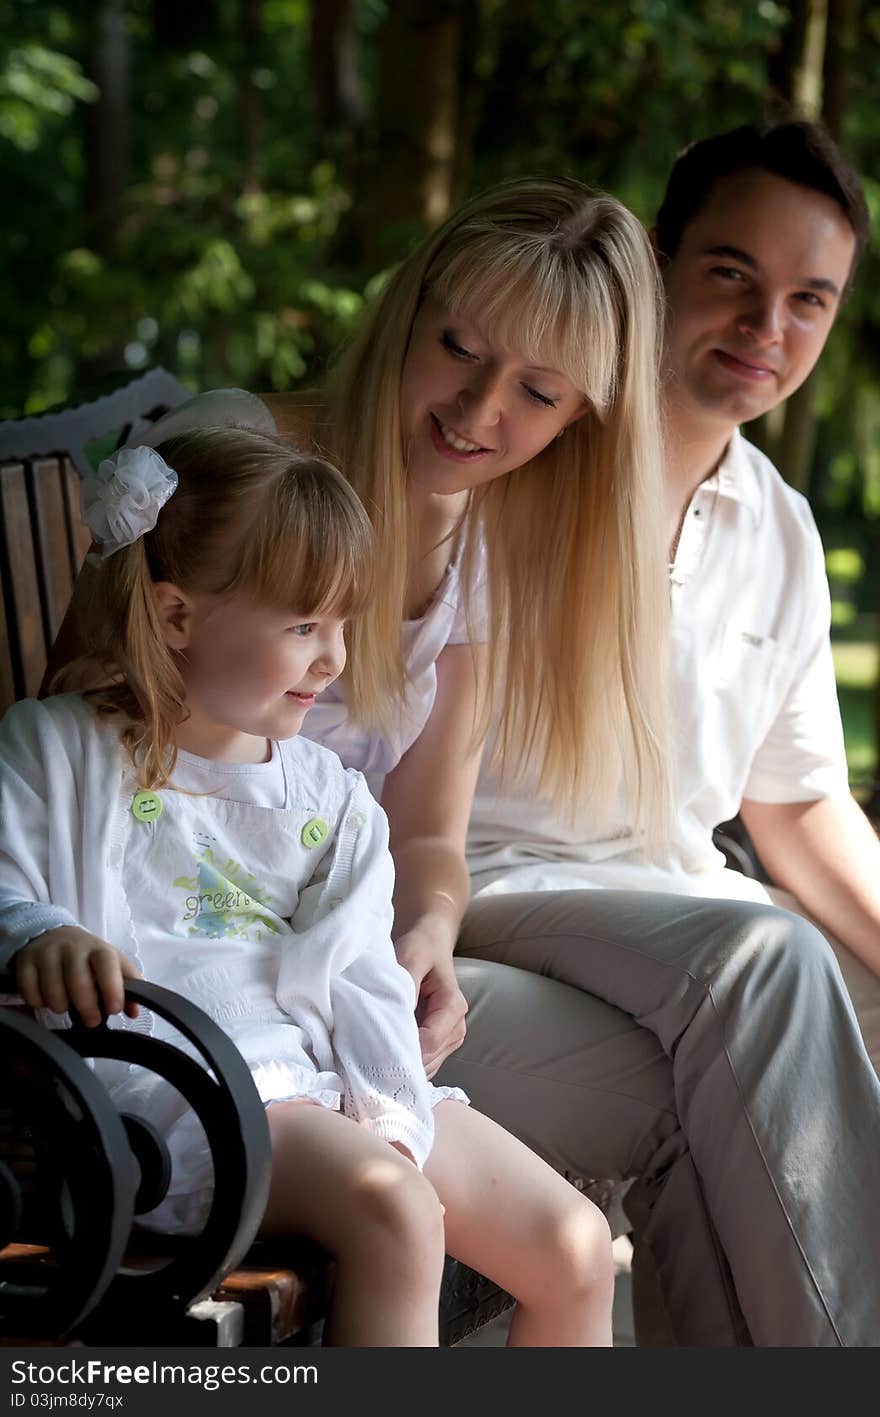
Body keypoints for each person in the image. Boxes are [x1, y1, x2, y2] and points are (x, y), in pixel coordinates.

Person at [42, 175, 880, 1346]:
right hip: (197, 979)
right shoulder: (242, 459)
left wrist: (426, 934)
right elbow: (91, 723)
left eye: (537, 393)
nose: (478, 410)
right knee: (740, 1064)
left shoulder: (486, 541)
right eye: (458, 349)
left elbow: (431, 834)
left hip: (348, 973)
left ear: (580, 412)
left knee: (752, 1066)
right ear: (410, 309)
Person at [0, 426, 617, 1347]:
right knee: (397, 1212)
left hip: (338, 1082)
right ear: (176, 617)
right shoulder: (56, 749)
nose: (332, 659)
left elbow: (360, 963)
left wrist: (386, 1096)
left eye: (340, 623)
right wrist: (42, 933)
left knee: (577, 1244)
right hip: (188, 1091)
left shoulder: (328, 792)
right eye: (301, 625)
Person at [461, 122, 880, 1338]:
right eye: (732, 277)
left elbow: (798, 808)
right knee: (773, 974)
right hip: (488, 891)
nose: (766, 330)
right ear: (651, 258)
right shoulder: (526, 446)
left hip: (655, 922)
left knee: (758, 1076)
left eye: (809, 300)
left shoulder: (778, 524)